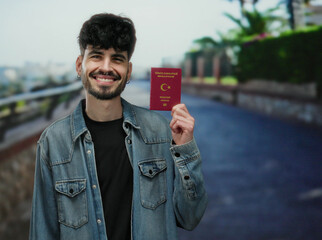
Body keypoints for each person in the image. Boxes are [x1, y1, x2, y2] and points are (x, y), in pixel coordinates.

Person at [29, 13, 207, 240]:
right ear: (79, 65)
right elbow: (42, 232)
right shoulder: (53, 141)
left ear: (128, 71)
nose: (106, 67)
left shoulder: (160, 131)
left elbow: (190, 217)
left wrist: (186, 150)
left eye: (117, 59)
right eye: (96, 56)